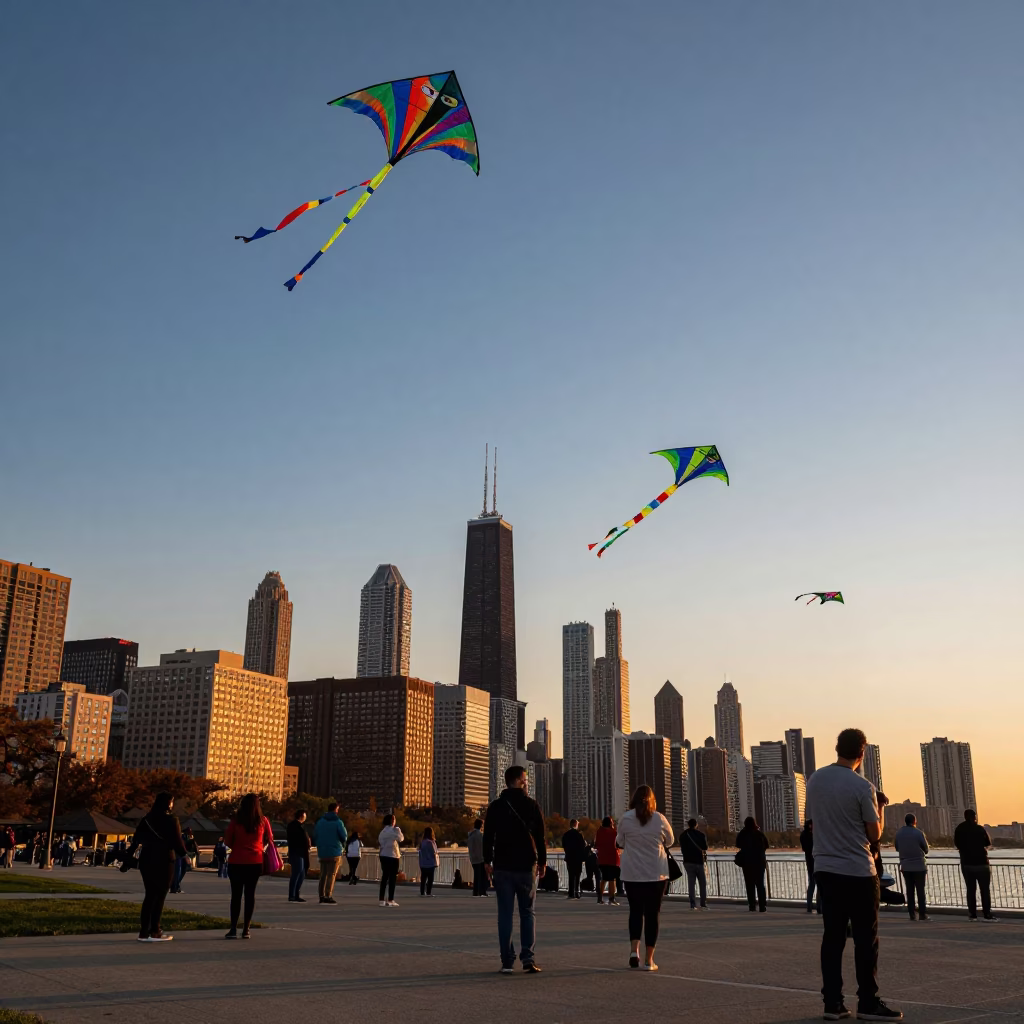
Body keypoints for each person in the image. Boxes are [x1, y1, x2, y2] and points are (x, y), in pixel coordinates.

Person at [805, 728, 903, 1021]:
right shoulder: (863, 787)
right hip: (859, 871)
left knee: (832, 937)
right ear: (861, 755)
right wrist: (881, 808)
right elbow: (873, 834)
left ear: (836, 748)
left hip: (826, 869)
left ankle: (832, 1003)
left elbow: (814, 821)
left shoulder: (814, 780)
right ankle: (868, 1002)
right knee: (865, 939)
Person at [483, 764, 546, 974]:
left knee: (505, 914)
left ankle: (507, 961)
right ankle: (528, 958)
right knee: (527, 913)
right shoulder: (531, 805)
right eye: (525, 779)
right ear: (519, 781)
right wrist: (543, 862)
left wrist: (487, 861)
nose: (527, 782)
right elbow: (540, 837)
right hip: (526, 866)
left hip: (502, 866)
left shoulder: (495, 807)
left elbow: (488, 836)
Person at [616, 784, 674, 972]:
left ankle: (634, 952)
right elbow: (671, 840)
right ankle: (649, 960)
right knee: (652, 914)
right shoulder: (659, 818)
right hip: (656, 873)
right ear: (652, 800)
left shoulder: (625, 818)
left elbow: (620, 842)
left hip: (632, 873)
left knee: (635, 912)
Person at [125, 792, 186, 942]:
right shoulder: (172, 820)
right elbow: (177, 840)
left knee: (150, 895)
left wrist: (127, 858)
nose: (172, 805)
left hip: (146, 859)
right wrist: (185, 855)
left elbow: (136, 840)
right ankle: (155, 930)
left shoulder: (146, 820)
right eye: (172, 802)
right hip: (165, 859)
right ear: (168, 804)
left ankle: (144, 931)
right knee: (160, 896)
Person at [223, 792, 274, 939]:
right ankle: (246, 929)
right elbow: (269, 839)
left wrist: (238, 846)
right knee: (250, 895)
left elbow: (227, 841)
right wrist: (258, 847)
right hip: (255, 861)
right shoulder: (263, 821)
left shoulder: (236, 821)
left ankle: (233, 929)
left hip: (237, 861)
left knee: (236, 896)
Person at [954, 809, 997, 922]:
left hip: (967, 863)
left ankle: (972, 914)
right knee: (984, 890)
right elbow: (987, 843)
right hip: (981, 862)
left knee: (971, 889)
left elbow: (957, 844)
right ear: (975, 817)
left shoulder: (959, 829)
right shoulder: (980, 829)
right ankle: (987, 913)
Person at [892, 813, 929, 921]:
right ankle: (923, 914)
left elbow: (897, 848)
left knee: (909, 891)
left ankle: (912, 914)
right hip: (919, 866)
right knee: (920, 891)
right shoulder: (919, 833)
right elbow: (926, 849)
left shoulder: (899, 833)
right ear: (914, 821)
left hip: (906, 866)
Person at [313, 802, 348, 905]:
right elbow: (344, 836)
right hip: (335, 851)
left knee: (323, 874)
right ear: (336, 810)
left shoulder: (320, 822)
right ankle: (328, 895)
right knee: (331, 874)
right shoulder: (338, 822)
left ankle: (321, 896)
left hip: (322, 851)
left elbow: (315, 835)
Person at [736, 817, 769, 912]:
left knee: (749, 884)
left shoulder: (742, 834)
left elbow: (738, 844)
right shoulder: (759, 834)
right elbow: (766, 845)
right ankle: (762, 906)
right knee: (760, 884)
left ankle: (752, 905)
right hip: (759, 862)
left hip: (747, 863)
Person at [680, 818, 709, 911]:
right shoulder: (701, 835)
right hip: (699, 861)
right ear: (696, 825)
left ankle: (692, 905)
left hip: (688, 861)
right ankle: (703, 904)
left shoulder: (683, 835)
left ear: (688, 825)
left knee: (691, 884)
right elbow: (705, 847)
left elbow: (682, 848)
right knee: (702, 883)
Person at [378, 814, 404, 907]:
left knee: (384, 877)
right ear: (392, 821)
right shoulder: (394, 830)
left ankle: (381, 900)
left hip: (383, 855)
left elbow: (380, 842)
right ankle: (390, 899)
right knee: (392, 878)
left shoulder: (382, 832)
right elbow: (401, 839)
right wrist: (398, 830)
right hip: (393, 856)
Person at [595, 817, 621, 905]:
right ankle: (611, 898)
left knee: (604, 878)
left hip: (602, 858)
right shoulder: (614, 833)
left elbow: (596, 844)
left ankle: (600, 898)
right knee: (612, 879)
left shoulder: (599, 832)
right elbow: (619, 844)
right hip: (612, 858)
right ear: (610, 824)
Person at [287, 809, 311, 902]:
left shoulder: (300, 826)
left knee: (301, 873)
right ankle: (292, 894)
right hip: (297, 852)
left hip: (301, 852)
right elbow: (296, 839)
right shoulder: (295, 826)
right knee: (297, 873)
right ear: (302, 816)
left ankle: (296, 894)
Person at [561, 819, 587, 900]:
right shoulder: (579, 834)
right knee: (578, 875)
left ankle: (571, 893)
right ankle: (576, 892)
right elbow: (583, 846)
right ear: (576, 825)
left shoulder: (566, 835)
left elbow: (564, 845)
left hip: (569, 857)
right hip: (578, 858)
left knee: (571, 875)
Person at [800, 819, 821, 914]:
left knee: (812, 885)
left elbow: (804, 848)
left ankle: (809, 906)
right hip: (816, 863)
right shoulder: (812, 835)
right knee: (819, 886)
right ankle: (819, 907)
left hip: (810, 863)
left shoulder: (803, 835)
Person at [468, 818, 488, 896]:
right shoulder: (480, 835)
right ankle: (482, 891)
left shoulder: (471, 835)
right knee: (482, 876)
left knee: (477, 876)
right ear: (481, 825)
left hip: (473, 858)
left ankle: (476, 891)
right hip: (480, 858)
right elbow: (483, 847)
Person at [419, 826, 439, 896]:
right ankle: (428, 892)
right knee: (430, 879)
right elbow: (434, 852)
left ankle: (422, 892)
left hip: (423, 863)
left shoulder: (422, 842)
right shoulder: (431, 842)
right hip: (430, 863)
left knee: (423, 878)